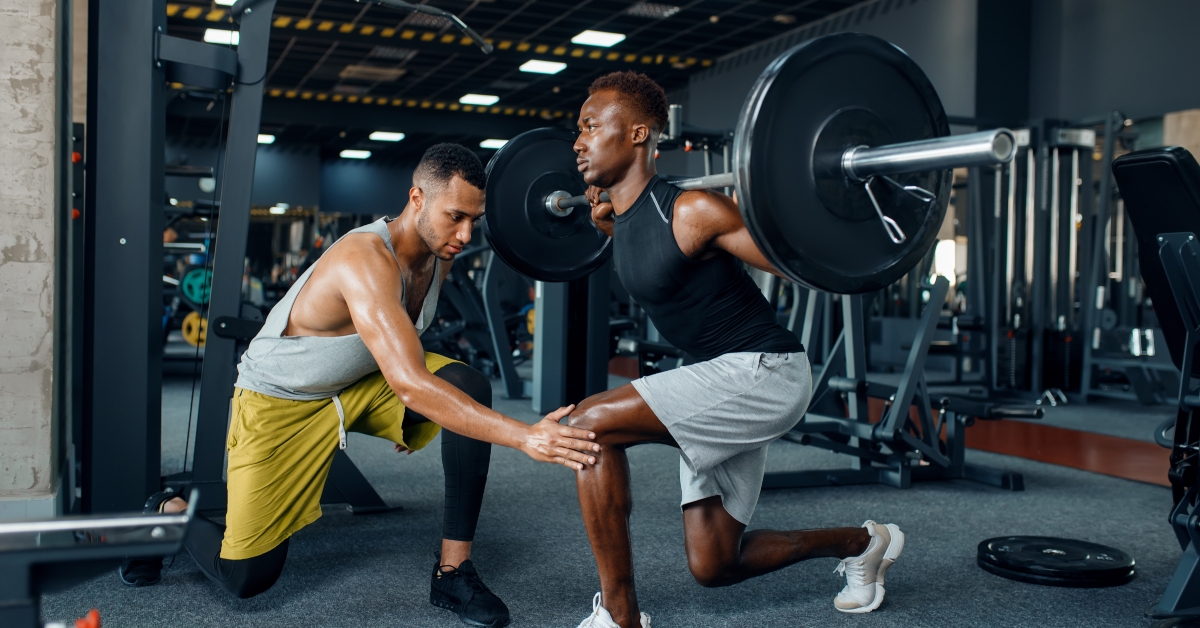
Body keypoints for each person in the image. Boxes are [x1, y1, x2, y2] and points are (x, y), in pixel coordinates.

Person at [120, 144, 600, 628]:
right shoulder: (365, 258)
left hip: (358, 381)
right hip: (280, 402)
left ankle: (454, 571)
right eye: (456, 217)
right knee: (246, 576)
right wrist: (524, 435)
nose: (466, 234)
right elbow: (412, 383)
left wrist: (431, 405)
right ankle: (168, 512)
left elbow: (407, 344)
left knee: (466, 384)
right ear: (416, 198)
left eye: (474, 219)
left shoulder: (440, 252)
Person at [566, 72, 905, 628]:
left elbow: (803, 264)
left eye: (590, 126)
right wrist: (609, 226)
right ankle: (865, 543)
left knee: (588, 426)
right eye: (576, 130)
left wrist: (837, 199)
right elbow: (655, 263)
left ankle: (620, 617)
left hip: (765, 371)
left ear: (637, 134)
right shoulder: (619, 219)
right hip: (720, 377)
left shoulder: (693, 210)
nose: (577, 142)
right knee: (716, 563)